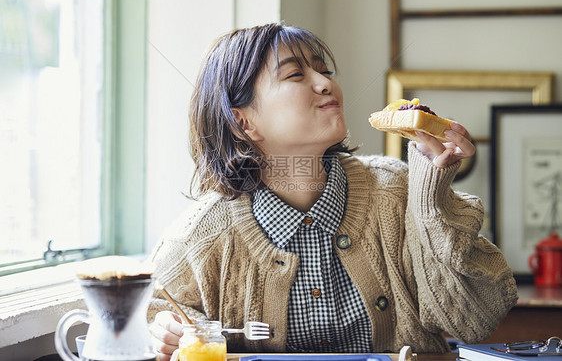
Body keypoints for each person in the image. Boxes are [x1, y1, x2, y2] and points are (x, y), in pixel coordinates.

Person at [147, 23, 518, 360]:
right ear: (243, 121)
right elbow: (145, 307)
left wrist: (430, 200)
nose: (326, 84)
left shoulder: (398, 192)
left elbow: (475, 320)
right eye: (295, 74)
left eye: (323, 71)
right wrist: (168, 329)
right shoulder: (202, 234)